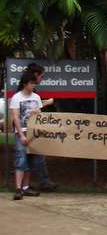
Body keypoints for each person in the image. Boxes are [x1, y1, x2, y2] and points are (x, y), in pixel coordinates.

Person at [9, 71, 53, 200]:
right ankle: (18, 189)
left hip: (34, 133)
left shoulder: (36, 97)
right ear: (25, 84)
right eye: (31, 83)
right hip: (21, 132)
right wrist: (21, 135)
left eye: (34, 83)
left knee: (31, 160)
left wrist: (36, 113)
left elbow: (39, 115)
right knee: (20, 160)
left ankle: (25, 187)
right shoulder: (16, 98)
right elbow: (15, 117)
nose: (34, 85)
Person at [20, 63, 57, 192]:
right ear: (35, 75)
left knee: (32, 157)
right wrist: (46, 103)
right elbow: (29, 108)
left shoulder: (32, 92)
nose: (42, 79)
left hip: (30, 128)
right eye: (42, 76)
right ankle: (37, 183)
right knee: (30, 157)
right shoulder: (26, 91)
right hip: (26, 129)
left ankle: (29, 184)